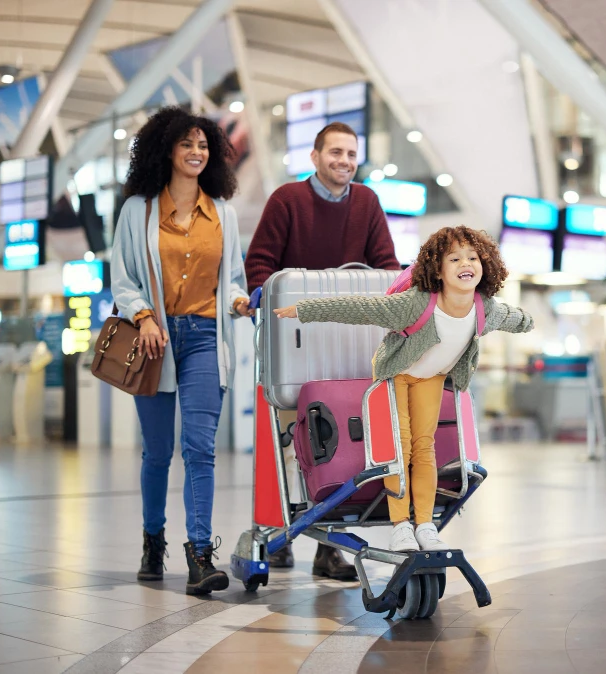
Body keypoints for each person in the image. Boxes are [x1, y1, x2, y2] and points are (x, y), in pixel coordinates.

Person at [275, 226, 534, 551]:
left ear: (485, 265)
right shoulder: (416, 304)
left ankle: (424, 524)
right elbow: (360, 309)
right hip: (396, 374)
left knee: (424, 448)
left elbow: (513, 317)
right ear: (437, 269)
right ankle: (400, 527)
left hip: (431, 377)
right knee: (399, 447)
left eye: (472, 257)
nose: (465, 263)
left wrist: (529, 322)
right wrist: (304, 310)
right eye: (454, 258)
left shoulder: (485, 309)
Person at [245, 121, 399, 578]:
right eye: (335, 153)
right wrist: (259, 294)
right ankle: (275, 529)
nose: (345, 162)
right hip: (292, 341)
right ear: (315, 157)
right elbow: (259, 265)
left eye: (351, 154)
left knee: (334, 442)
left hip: (346, 341)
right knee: (287, 442)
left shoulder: (367, 202)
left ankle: (325, 544)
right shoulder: (287, 201)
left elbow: (386, 266)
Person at [111, 107, 252, 596]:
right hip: (154, 340)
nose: (196, 152)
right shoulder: (138, 210)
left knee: (200, 449)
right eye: (187, 144)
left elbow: (233, 277)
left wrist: (239, 299)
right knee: (157, 452)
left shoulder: (224, 214)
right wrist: (143, 316)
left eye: (203, 145)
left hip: (206, 339)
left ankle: (199, 556)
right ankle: (154, 541)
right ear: (166, 150)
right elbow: (123, 279)